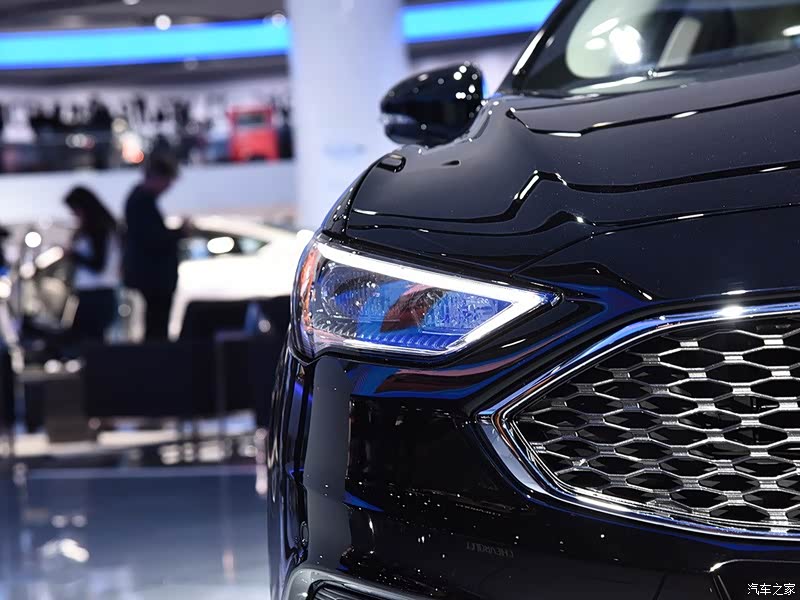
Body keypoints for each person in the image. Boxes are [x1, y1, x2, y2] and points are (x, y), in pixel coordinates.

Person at [123, 151, 185, 341]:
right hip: (154, 277)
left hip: (153, 276)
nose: (168, 187)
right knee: (156, 326)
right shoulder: (141, 202)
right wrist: (179, 233)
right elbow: (152, 239)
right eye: (167, 181)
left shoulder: (141, 201)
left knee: (155, 323)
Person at [65, 187, 120, 343]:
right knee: (89, 341)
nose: (74, 215)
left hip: (97, 294)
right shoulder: (101, 228)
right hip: (95, 293)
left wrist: (74, 255)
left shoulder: (98, 230)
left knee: (90, 342)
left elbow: (98, 265)